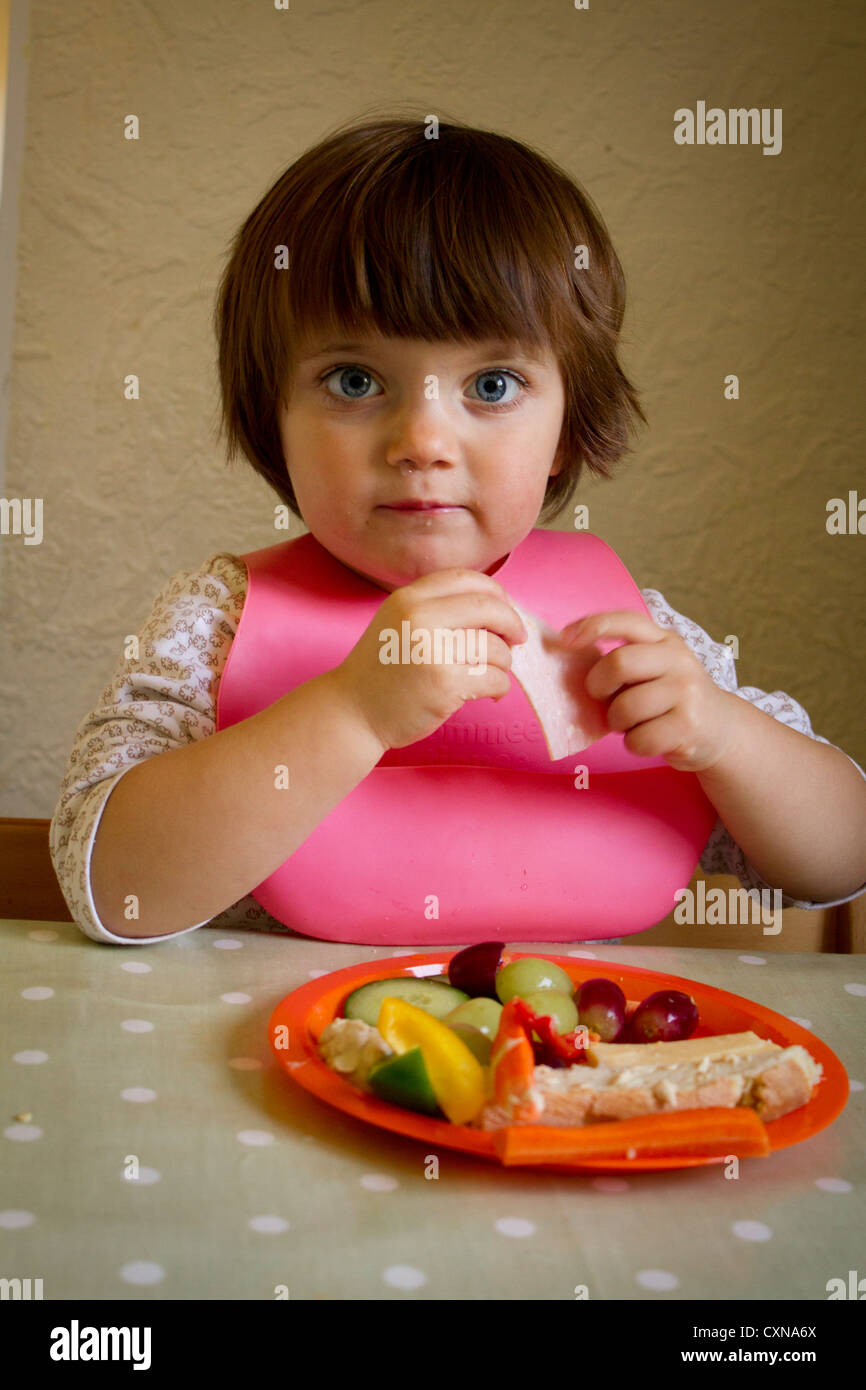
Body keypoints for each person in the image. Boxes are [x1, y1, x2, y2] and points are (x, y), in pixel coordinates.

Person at [49, 114, 866, 946]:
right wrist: (353, 714)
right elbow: (113, 889)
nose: (423, 443)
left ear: (570, 428)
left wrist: (724, 735)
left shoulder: (633, 636)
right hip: (259, 1060)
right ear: (272, 416)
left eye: (495, 384)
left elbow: (839, 861)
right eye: (356, 379)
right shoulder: (215, 624)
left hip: (568, 1065)